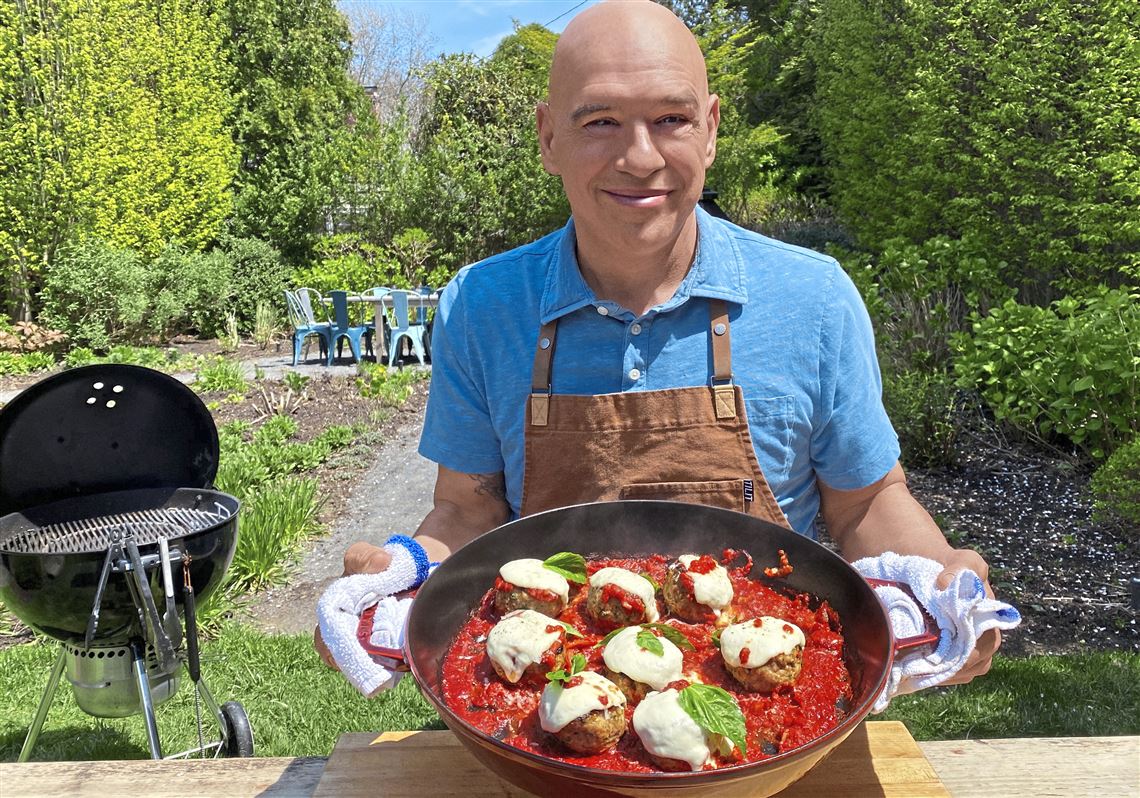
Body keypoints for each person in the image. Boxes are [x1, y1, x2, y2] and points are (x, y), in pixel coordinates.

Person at [315, 0, 1001, 684]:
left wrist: (941, 584)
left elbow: (867, 502)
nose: (639, 157)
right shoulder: (485, 305)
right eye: (601, 122)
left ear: (710, 129)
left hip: (766, 710)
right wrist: (397, 585)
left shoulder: (813, 298)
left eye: (670, 119)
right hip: (544, 702)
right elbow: (468, 508)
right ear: (549, 137)